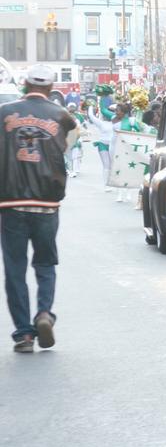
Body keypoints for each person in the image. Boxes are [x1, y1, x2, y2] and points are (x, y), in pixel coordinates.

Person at [0, 64, 78, 353]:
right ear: (50, 87)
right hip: (46, 204)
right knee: (45, 264)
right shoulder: (62, 116)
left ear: (24, 84)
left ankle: (24, 335)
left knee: (15, 269)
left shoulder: (4, 113)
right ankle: (44, 313)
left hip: (11, 203)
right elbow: (68, 148)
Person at [87, 100, 115, 191]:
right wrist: (91, 106)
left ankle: (112, 183)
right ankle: (106, 185)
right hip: (103, 145)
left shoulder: (117, 123)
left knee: (112, 166)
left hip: (114, 145)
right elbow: (91, 116)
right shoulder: (101, 123)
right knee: (106, 165)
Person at [65, 102, 86, 177]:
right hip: (67, 140)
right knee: (67, 156)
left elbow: (82, 127)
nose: (72, 108)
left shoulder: (79, 117)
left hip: (77, 138)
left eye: (73, 107)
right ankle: (68, 170)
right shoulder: (64, 116)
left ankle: (75, 169)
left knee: (76, 156)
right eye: (70, 107)